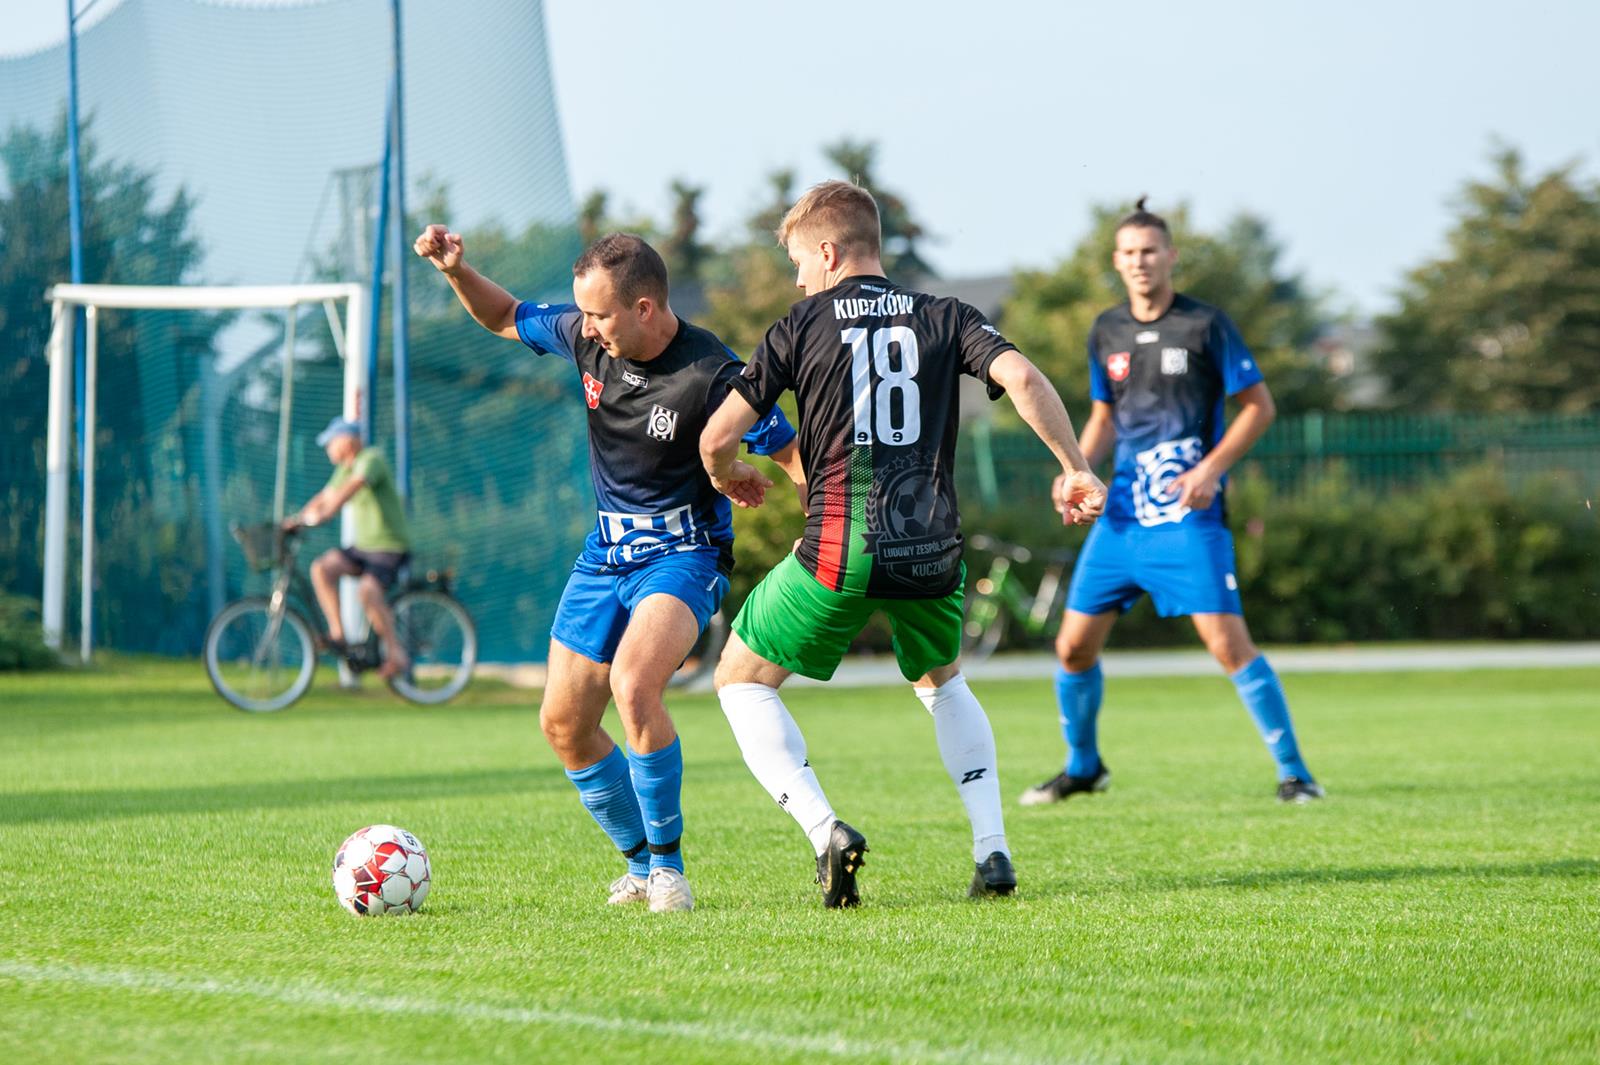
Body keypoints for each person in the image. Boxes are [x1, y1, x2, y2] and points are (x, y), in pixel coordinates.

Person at [700, 180, 1106, 907]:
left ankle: (825, 830)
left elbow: (717, 435)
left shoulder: (799, 324)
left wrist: (729, 475)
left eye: (799, 259)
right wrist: (1074, 467)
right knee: (943, 681)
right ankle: (993, 849)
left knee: (738, 677)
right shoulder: (946, 315)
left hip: (838, 548)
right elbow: (1020, 375)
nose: (798, 277)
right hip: (931, 550)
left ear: (828, 251)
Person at [414, 224, 801, 913]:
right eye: (582, 313)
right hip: (604, 555)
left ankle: (671, 872)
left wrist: (831, 528)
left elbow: (790, 453)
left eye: (598, 313)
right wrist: (455, 271)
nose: (586, 327)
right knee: (563, 721)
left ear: (645, 307)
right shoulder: (586, 337)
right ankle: (638, 863)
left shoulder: (714, 374)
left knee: (633, 684)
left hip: (683, 556)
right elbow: (506, 316)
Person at [1019, 198, 1325, 808]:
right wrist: (1075, 469)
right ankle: (1084, 768)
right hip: (1123, 517)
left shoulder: (1206, 326)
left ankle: (1296, 774)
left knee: (1226, 646)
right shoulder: (1106, 329)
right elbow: (1104, 415)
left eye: (1150, 251)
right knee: (1072, 647)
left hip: (1188, 515)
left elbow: (1259, 407)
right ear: (1116, 260)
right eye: (1129, 253)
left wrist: (1212, 469)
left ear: (1170, 257)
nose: (1140, 262)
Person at [285, 418, 412, 679]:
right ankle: (338, 634)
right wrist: (298, 520)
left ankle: (396, 652)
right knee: (322, 568)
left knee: (368, 592)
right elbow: (325, 496)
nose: (329, 448)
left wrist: (326, 514)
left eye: (332, 442)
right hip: (363, 547)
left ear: (347, 441)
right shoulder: (345, 468)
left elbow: (349, 490)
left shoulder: (370, 459)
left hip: (389, 547)